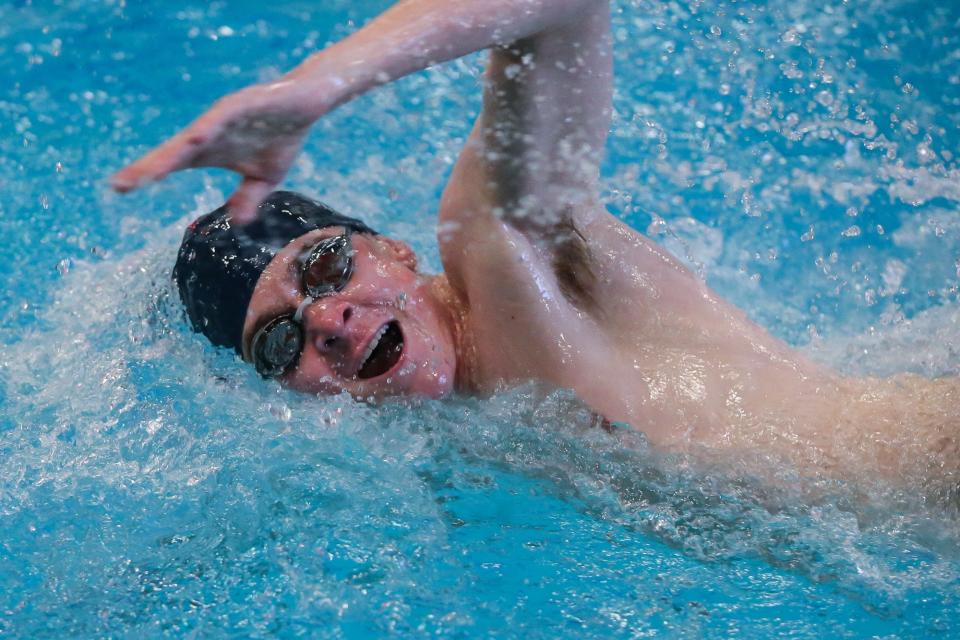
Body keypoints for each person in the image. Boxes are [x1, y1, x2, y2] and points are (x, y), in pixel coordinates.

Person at [112, 0, 957, 486]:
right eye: (282, 339)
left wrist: (314, 88)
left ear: (395, 250)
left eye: (324, 264)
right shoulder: (478, 434)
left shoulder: (499, 252)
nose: (329, 317)